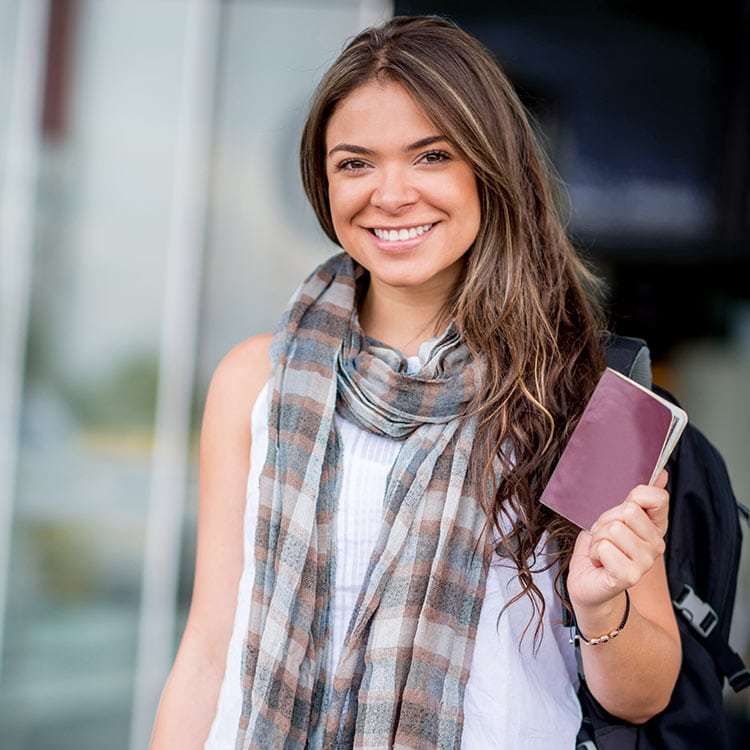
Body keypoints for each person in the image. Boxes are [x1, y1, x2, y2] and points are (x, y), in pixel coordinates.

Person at [149, 14, 682, 749]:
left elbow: (644, 696)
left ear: (489, 168)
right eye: (355, 163)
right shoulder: (254, 383)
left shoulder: (587, 396)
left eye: (431, 156)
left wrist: (600, 605)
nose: (391, 194)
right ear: (323, 182)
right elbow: (210, 648)